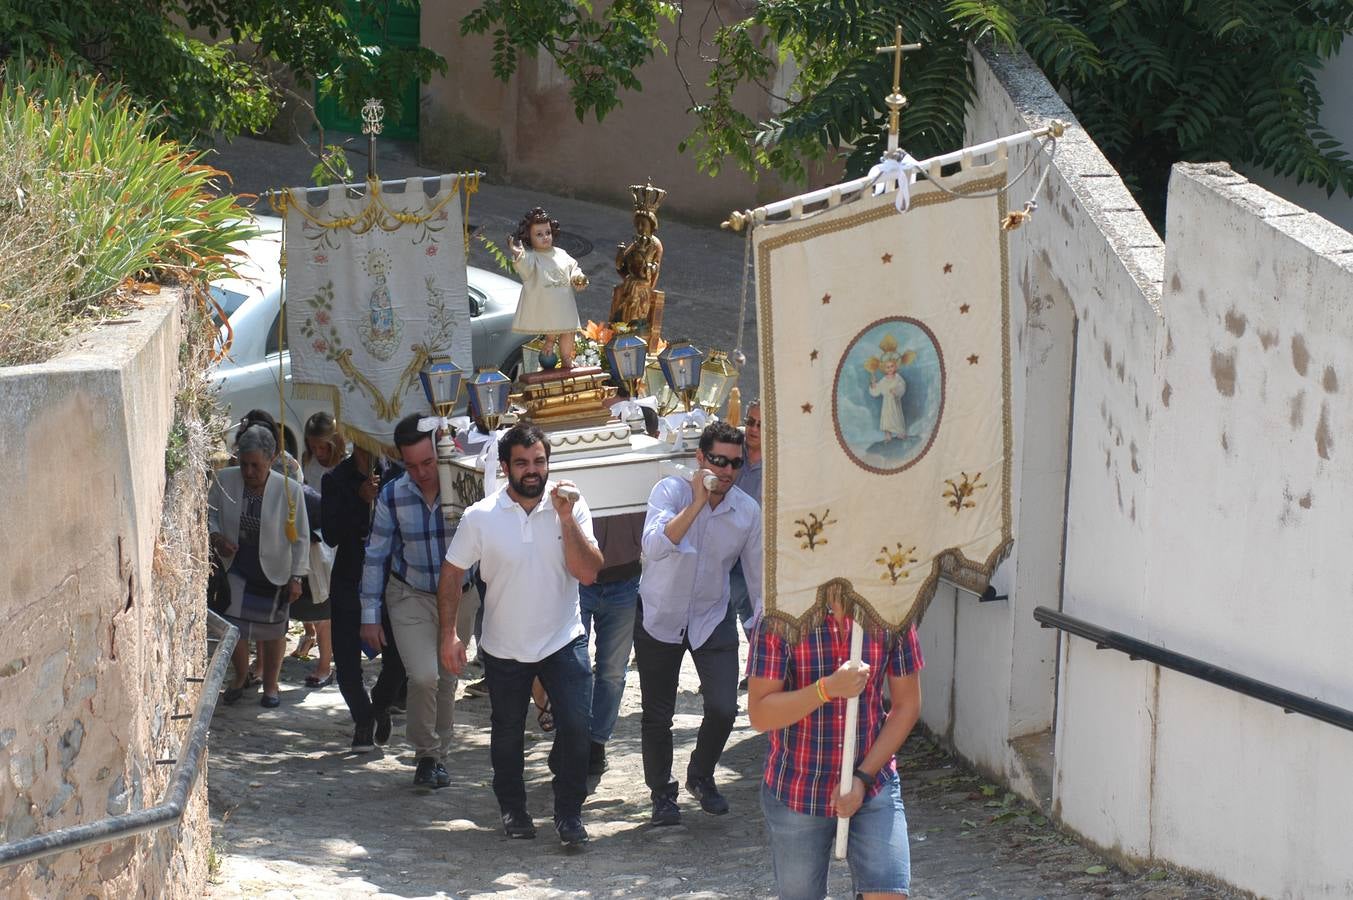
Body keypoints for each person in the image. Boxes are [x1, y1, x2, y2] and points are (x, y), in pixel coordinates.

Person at [438, 424, 604, 847]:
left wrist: (566, 518)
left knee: (576, 726)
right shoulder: (481, 516)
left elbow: (588, 571)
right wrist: (449, 636)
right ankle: (512, 808)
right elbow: (452, 572)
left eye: (539, 462)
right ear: (506, 467)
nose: (532, 471)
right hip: (504, 647)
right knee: (507, 732)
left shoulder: (572, 505)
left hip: (563, 640)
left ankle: (569, 813)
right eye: (522, 463)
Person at [747, 592, 924, 900]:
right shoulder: (781, 612)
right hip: (797, 789)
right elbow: (760, 713)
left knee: (889, 893)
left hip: (872, 781)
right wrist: (826, 689)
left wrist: (862, 778)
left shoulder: (893, 607)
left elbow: (907, 705)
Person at [635, 420, 763, 826]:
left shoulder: (746, 511)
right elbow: (654, 546)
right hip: (660, 614)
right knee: (658, 715)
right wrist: (695, 502)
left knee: (725, 708)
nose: (726, 471)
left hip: (712, 615)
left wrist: (761, 629)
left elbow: (757, 577)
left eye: (735, 464)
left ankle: (701, 775)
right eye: (718, 461)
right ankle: (662, 795)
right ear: (700, 457)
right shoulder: (668, 491)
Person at [359, 414, 460, 787]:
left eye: (429, 463)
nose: (421, 473)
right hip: (409, 594)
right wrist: (369, 615)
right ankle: (425, 753)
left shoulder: (465, 485)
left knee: (447, 679)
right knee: (423, 676)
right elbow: (376, 555)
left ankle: (440, 757)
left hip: (458, 597)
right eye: (412, 465)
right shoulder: (392, 495)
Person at [209, 424, 309, 708]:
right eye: (244, 464)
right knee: (235, 627)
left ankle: (271, 684)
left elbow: (301, 536)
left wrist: (297, 577)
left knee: (274, 630)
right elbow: (209, 514)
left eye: (256, 465)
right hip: (237, 565)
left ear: (271, 459)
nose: (249, 472)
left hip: (275, 568)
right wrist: (218, 538)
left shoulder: (289, 489)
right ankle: (241, 676)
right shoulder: (225, 480)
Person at [323, 440, 408, 752]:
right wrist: (358, 502)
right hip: (349, 578)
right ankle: (362, 719)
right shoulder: (335, 479)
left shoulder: (397, 476)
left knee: (398, 660)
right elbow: (331, 534)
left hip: (390, 580)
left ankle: (381, 704)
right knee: (346, 662)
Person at [578, 511, 644, 777]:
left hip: (625, 579)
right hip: (576, 577)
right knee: (571, 667)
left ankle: (597, 742)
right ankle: (572, 738)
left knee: (613, 671)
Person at [295, 411, 344, 687]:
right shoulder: (308, 461)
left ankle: (327, 660)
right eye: (313, 446)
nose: (318, 451)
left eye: (323, 446)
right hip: (308, 531)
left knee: (322, 597)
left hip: (328, 537)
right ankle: (309, 633)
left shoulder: (342, 466)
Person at [508, 206, 588, 370]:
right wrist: (519, 255)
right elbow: (525, 269)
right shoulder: (532, 257)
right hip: (546, 303)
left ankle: (567, 360)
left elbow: (573, 267)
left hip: (565, 302)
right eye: (539, 234)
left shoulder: (561, 253)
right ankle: (549, 344)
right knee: (551, 326)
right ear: (529, 238)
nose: (545, 237)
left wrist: (578, 277)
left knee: (568, 330)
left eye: (547, 232)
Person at [728, 399, 762, 642]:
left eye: (761, 425)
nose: (753, 429)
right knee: (741, 611)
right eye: (751, 422)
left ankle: (762, 669)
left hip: (758, 554)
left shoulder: (778, 464)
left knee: (756, 613)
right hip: (730, 551)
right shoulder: (733, 456)